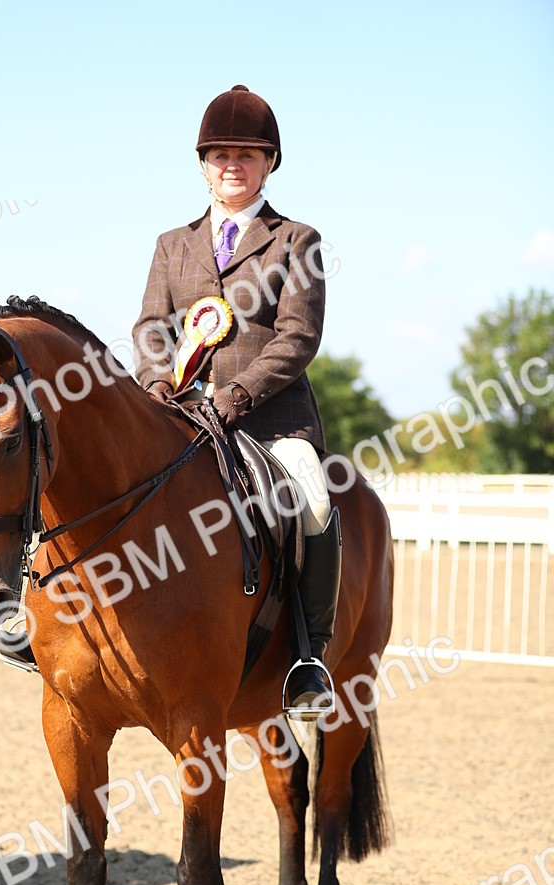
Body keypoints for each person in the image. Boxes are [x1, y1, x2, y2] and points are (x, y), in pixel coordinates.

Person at [132, 84, 341, 719]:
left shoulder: (296, 240)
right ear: (202, 164)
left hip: (271, 420)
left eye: (247, 155)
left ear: (269, 163)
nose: (232, 165)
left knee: (312, 497)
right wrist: (156, 384)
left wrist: (237, 395)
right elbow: (150, 327)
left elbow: (298, 337)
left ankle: (309, 655)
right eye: (220, 154)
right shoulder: (173, 243)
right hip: (183, 415)